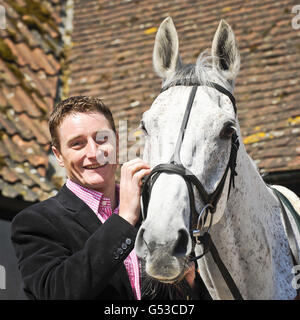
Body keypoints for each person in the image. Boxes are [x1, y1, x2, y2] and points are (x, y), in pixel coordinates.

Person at [11, 95, 202, 300]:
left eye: (102, 139)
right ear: (58, 155)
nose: (94, 153)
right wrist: (124, 218)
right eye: (77, 144)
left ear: (117, 142)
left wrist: (193, 284)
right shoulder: (35, 223)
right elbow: (57, 293)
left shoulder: (155, 210)